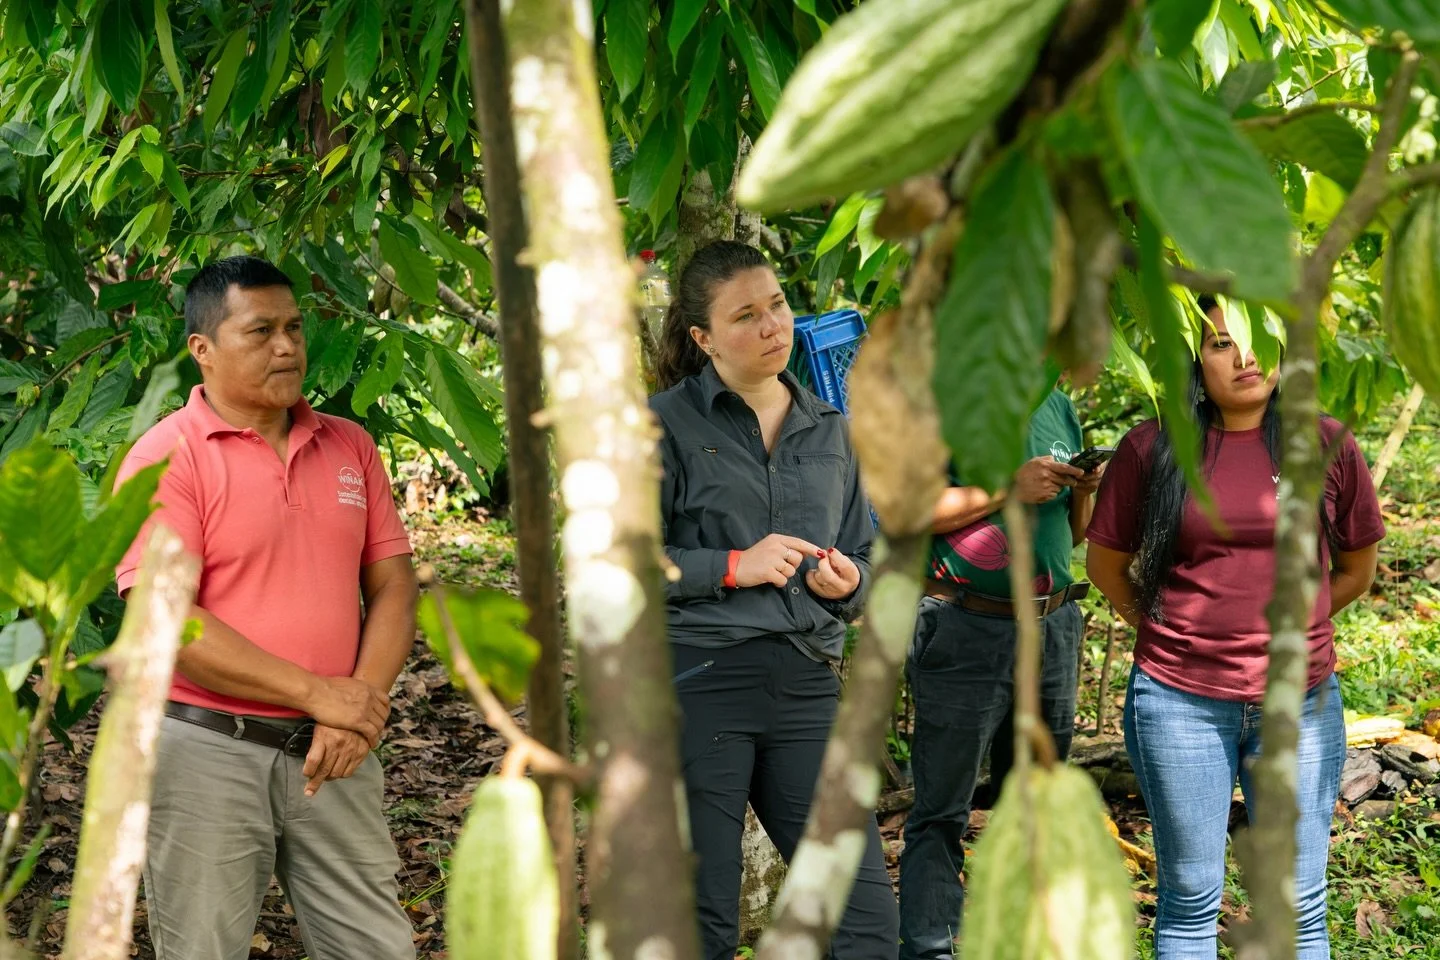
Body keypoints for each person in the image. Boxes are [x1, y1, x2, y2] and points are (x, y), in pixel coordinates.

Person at [114, 256, 419, 960]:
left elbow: (395, 587)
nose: (286, 347)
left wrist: (355, 708)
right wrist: (320, 694)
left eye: (294, 328)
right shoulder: (168, 456)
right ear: (203, 348)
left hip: (335, 748)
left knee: (378, 948)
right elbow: (168, 622)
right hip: (207, 752)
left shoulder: (349, 445)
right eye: (260, 332)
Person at [1085, 298, 1384, 959]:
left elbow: (1357, 569)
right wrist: (1164, 631)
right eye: (1221, 343)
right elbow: (1105, 565)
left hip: (1300, 704)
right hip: (1179, 704)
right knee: (1191, 900)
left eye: (1255, 338)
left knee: (1298, 906)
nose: (1244, 356)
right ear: (1195, 360)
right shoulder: (1152, 448)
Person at [650, 240, 899, 960]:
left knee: (864, 920)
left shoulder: (831, 427)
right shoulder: (661, 424)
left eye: (779, 305)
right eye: (745, 316)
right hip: (700, 678)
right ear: (703, 338)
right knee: (702, 922)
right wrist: (733, 566)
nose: (772, 326)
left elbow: (864, 557)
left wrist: (850, 582)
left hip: (806, 682)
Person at [897, 381, 1099, 960]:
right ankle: (931, 947)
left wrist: (1083, 491)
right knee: (942, 807)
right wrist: (1010, 487)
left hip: (1053, 625)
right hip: (966, 626)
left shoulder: (1057, 404)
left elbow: (1072, 533)